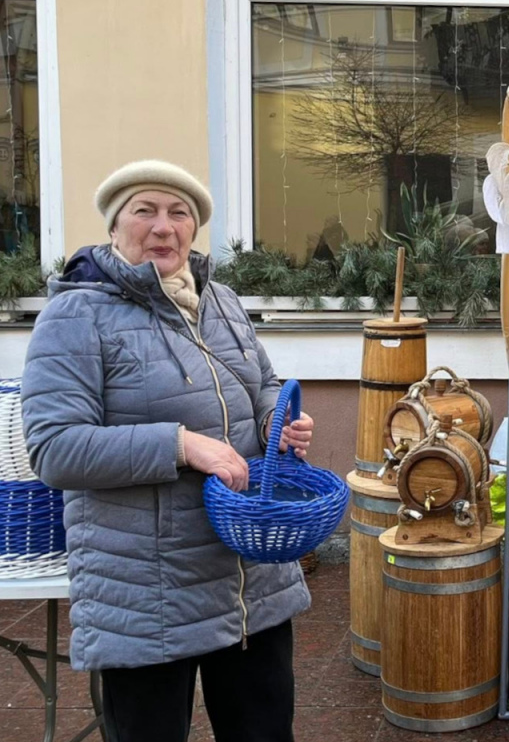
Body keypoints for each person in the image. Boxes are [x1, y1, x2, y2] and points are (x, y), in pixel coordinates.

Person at [21, 160, 315, 742]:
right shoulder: (76, 314)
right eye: (144, 211)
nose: (164, 226)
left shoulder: (222, 301)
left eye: (179, 213)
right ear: (114, 226)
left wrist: (274, 422)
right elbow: (55, 449)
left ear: (194, 228)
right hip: (146, 594)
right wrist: (181, 445)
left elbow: (260, 383)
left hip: (248, 580)